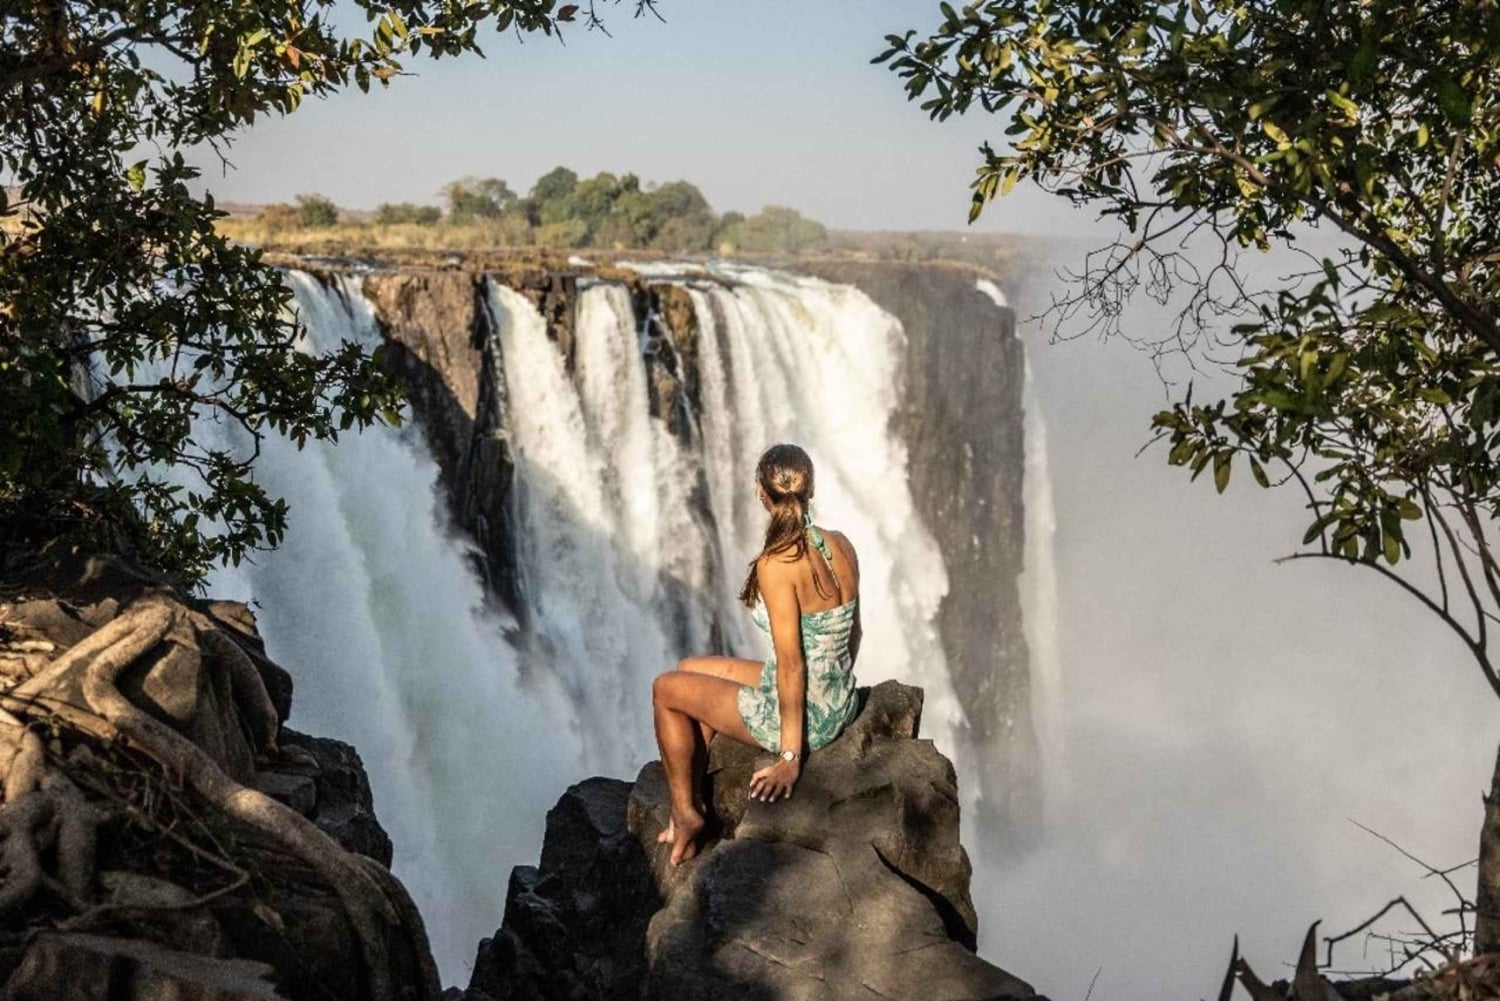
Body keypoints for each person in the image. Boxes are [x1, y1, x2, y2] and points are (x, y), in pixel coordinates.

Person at [650, 443, 862, 866]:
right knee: (691, 669)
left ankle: (685, 813)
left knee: (665, 689)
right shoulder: (840, 545)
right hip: (838, 696)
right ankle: (695, 794)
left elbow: (792, 665)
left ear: (761, 494)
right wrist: (832, 689)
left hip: (804, 716)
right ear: (811, 490)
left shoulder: (777, 564)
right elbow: (853, 633)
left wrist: (790, 757)